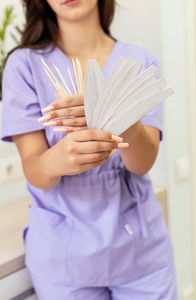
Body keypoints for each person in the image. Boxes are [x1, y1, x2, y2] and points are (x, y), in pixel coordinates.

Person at [1, 0, 178, 299]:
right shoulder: (25, 65)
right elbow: (34, 169)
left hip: (141, 253)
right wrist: (55, 162)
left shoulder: (138, 61)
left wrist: (122, 117)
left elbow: (142, 163)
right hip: (63, 261)